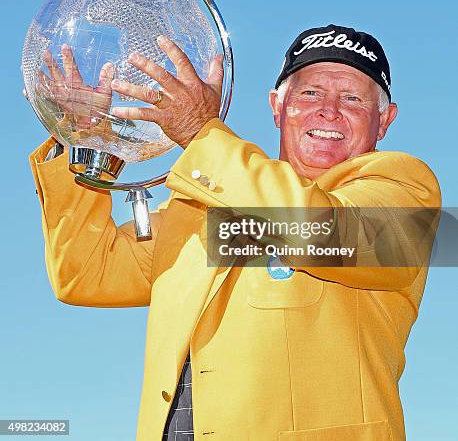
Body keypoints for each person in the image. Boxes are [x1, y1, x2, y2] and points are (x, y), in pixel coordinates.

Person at [29, 24, 441, 441]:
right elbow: (86, 274)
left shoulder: (405, 187)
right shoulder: (200, 204)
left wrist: (199, 135)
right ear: (277, 106)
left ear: (384, 120)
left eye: (352, 98)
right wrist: (79, 137)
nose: (329, 111)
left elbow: (320, 232)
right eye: (310, 93)